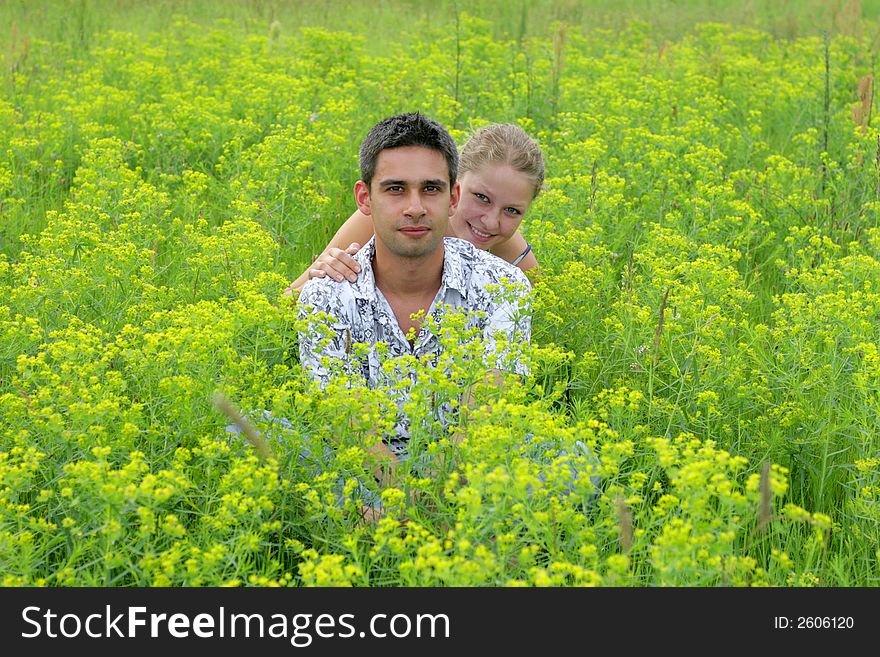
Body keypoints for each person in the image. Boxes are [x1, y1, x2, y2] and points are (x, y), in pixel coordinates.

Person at [296, 112, 534, 521]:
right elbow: (342, 418)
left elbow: (487, 413)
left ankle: (374, 525)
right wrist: (409, 495)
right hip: (362, 462)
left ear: (451, 197)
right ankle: (452, 529)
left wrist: (424, 498)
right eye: (394, 189)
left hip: (461, 462)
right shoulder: (327, 288)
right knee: (246, 437)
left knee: (571, 460)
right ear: (364, 199)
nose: (414, 208)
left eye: (431, 189)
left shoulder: (506, 284)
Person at [285, 122, 543, 294]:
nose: (490, 222)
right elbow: (289, 301)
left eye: (512, 211)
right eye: (481, 198)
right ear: (455, 188)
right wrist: (319, 275)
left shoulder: (516, 263)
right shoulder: (390, 219)